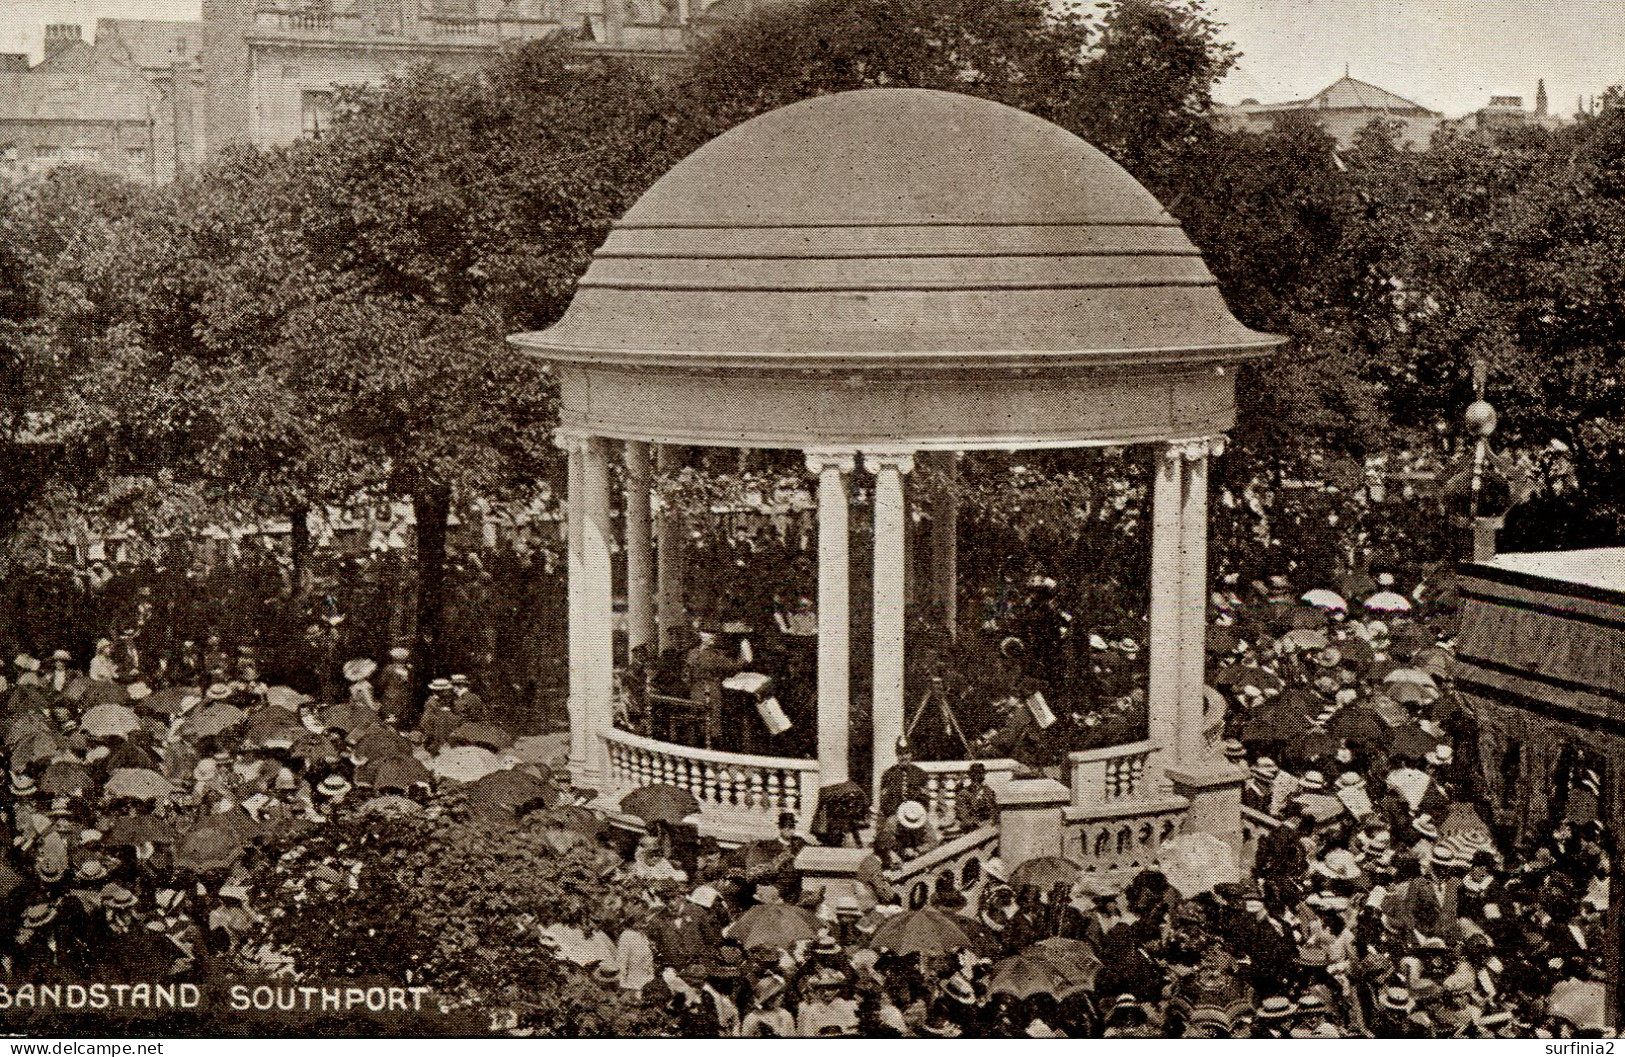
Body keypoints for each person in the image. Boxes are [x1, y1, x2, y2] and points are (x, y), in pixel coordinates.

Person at [684, 629, 742, 750]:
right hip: (697, 689)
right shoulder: (693, 652)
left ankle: (710, 748)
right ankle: (698, 746)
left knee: (711, 719)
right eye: (708, 636)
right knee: (698, 718)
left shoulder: (715, 654)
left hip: (710, 689)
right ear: (701, 636)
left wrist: (743, 658)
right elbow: (686, 672)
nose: (711, 639)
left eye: (712, 637)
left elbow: (733, 666)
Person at [873, 800, 941, 869]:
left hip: (916, 857)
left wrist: (917, 851)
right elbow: (881, 842)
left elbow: (933, 842)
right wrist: (890, 853)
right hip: (896, 854)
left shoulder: (924, 823)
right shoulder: (892, 823)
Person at [877, 738, 928, 825]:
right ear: (897, 755)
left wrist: (915, 811)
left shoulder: (920, 774)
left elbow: (925, 799)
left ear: (911, 754)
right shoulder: (889, 774)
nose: (903, 757)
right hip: (895, 815)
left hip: (915, 814)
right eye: (900, 754)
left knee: (930, 835)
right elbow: (884, 801)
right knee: (889, 828)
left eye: (906, 753)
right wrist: (897, 812)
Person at [954, 762, 997, 831]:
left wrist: (991, 822)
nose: (978, 776)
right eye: (976, 773)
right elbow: (963, 816)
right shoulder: (964, 794)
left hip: (989, 829)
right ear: (971, 776)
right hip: (971, 830)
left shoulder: (988, 791)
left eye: (981, 773)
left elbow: (994, 811)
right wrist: (977, 823)